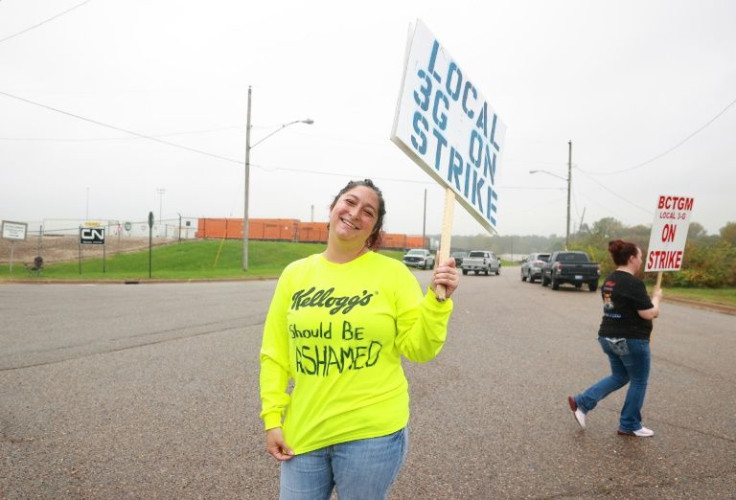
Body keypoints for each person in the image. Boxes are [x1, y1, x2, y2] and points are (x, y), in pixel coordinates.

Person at [259, 179, 460, 499]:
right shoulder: (295, 274)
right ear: (333, 207)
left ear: (374, 229)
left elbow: (419, 349)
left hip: (372, 436)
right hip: (305, 431)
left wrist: (437, 303)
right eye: (349, 202)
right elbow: (275, 354)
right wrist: (272, 419)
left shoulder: (393, 274)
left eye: (368, 212)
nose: (354, 213)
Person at [568, 239, 663, 437]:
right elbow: (648, 313)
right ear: (631, 258)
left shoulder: (609, 280)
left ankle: (582, 402)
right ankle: (629, 424)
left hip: (609, 338)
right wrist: (657, 299)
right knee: (639, 380)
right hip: (631, 339)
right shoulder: (633, 283)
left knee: (620, 376)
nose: (641, 261)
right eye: (640, 257)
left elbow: (615, 308)